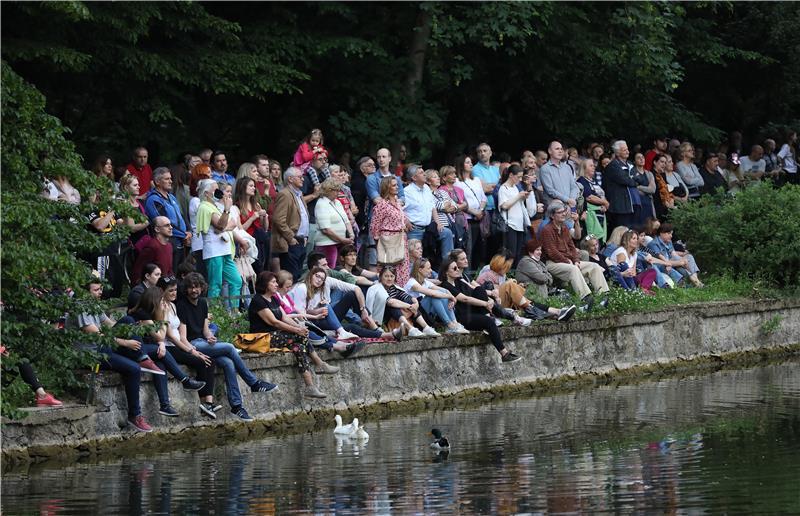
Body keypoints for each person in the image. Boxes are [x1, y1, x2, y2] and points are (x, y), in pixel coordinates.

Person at [176, 273, 278, 422]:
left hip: (203, 342)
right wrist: (192, 350)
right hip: (193, 344)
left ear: (202, 288)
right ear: (186, 289)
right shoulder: (182, 305)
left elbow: (205, 330)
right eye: (191, 287)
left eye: (197, 287)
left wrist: (210, 336)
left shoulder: (203, 303)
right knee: (230, 347)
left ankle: (237, 406)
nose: (194, 290)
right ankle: (254, 383)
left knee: (229, 363)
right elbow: (183, 337)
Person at [74, 279, 163, 432]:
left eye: (101, 289)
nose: (100, 292)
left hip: (104, 348)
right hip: (91, 354)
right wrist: (125, 342)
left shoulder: (94, 306)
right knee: (134, 369)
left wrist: (133, 327)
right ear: (85, 292)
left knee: (128, 320)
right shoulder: (81, 307)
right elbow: (98, 336)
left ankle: (143, 358)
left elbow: (111, 324)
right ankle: (135, 416)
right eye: (96, 290)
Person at [249, 271, 338, 399]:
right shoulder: (258, 300)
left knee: (299, 347)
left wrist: (300, 327)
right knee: (299, 336)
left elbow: (284, 317)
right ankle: (320, 364)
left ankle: (310, 387)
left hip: (276, 335)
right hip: (263, 338)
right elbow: (274, 322)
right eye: (273, 282)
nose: (276, 284)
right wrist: (296, 331)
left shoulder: (274, 298)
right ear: (265, 284)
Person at [123, 287, 207, 417]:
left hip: (144, 349)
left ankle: (165, 405)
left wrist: (161, 343)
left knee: (160, 366)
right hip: (133, 350)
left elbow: (159, 338)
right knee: (161, 352)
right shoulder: (142, 314)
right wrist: (163, 317)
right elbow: (160, 336)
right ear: (154, 301)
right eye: (161, 300)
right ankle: (185, 381)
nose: (164, 304)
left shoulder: (148, 313)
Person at [157, 276, 220, 419]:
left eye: (175, 290)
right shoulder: (161, 306)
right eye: (170, 291)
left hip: (179, 344)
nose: (174, 293)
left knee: (209, 360)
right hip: (170, 346)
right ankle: (204, 402)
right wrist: (192, 351)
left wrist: (192, 348)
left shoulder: (173, 305)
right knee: (202, 360)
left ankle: (207, 403)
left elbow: (180, 333)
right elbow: (171, 337)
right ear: (162, 291)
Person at [438, 257, 521, 363]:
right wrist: (485, 303)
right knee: (489, 322)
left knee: (479, 289)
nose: (458, 270)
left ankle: (492, 316)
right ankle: (504, 354)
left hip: (472, 311)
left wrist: (490, 299)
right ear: (446, 273)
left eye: (457, 267)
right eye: (454, 268)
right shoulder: (446, 286)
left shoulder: (459, 281)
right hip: (462, 317)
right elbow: (465, 298)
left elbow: (474, 290)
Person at [540, 201, 609, 311]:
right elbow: (551, 252)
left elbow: (572, 247)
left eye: (564, 211)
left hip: (568, 261)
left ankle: (603, 297)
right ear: (552, 216)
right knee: (573, 269)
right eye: (560, 212)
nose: (563, 214)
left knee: (594, 266)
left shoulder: (564, 228)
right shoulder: (547, 230)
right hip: (552, 263)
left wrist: (576, 260)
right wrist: (568, 261)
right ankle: (586, 299)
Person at [477, 252, 575, 322]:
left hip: (504, 302)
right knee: (511, 286)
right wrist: (507, 284)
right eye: (507, 266)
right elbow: (479, 291)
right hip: (494, 305)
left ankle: (557, 312)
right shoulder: (487, 274)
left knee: (524, 298)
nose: (509, 268)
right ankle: (541, 310)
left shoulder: (501, 275)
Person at [195, 179, 243, 308]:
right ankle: (213, 316)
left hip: (225, 251)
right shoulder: (204, 206)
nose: (219, 193)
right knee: (215, 284)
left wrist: (223, 226)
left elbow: (231, 223)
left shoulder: (215, 206)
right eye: (215, 190)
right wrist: (226, 211)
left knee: (236, 281)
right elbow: (221, 224)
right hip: (214, 252)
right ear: (206, 193)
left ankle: (234, 313)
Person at [365, 266, 439, 337]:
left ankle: (426, 327)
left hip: (397, 315)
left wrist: (415, 303)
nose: (389, 279)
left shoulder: (394, 288)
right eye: (386, 276)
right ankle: (410, 328)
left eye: (392, 276)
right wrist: (410, 306)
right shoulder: (375, 288)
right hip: (380, 319)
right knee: (393, 306)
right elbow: (391, 302)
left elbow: (408, 297)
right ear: (381, 277)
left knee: (410, 301)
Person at [144, 167, 191, 272]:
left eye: (170, 178)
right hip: (168, 241)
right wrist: (184, 235)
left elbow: (181, 216)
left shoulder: (171, 197)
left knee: (180, 274)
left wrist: (189, 232)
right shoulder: (153, 199)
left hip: (181, 240)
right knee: (170, 274)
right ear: (157, 182)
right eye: (167, 179)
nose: (171, 181)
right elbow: (163, 223)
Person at [405, 258, 469, 334]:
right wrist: (450, 297)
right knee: (433, 296)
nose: (431, 270)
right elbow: (432, 294)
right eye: (428, 268)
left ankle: (455, 323)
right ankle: (449, 325)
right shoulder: (412, 283)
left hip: (425, 313)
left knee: (441, 293)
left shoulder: (425, 282)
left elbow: (445, 290)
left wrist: (451, 298)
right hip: (415, 316)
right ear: (420, 270)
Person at [404, 165, 454, 260]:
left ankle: (447, 265)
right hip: (414, 230)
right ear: (414, 178)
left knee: (446, 233)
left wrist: (438, 223)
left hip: (429, 228)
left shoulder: (427, 188)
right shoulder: (407, 191)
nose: (424, 175)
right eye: (421, 173)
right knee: (415, 258)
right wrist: (406, 220)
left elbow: (433, 207)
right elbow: (399, 208)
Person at [370, 176, 411, 287]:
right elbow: (374, 226)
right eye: (393, 185)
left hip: (401, 238)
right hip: (389, 241)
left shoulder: (398, 202)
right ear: (387, 187)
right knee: (390, 268)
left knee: (403, 268)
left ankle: (402, 293)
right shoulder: (382, 205)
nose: (397, 187)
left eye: (397, 184)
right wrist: (379, 243)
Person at [272, 167, 310, 281]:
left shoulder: (299, 194)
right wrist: (291, 238)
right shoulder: (285, 194)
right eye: (299, 177)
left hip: (301, 241)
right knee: (291, 277)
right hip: (292, 242)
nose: (302, 179)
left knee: (297, 275)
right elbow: (278, 219)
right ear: (290, 179)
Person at [604, 140, 648, 232]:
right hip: (621, 207)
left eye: (627, 149)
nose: (627, 152)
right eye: (624, 150)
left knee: (634, 232)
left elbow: (641, 179)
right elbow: (626, 180)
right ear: (617, 152)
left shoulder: (630, 164)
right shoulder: (613, 166)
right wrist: (633, 179)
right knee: (622, 232)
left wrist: (632, 179)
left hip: (634, 204)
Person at [454, 154, 488, 268]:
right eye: (467, 162)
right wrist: (474, 212)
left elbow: (483, 197)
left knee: (479, 247)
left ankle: (475, 272)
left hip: (479, 217)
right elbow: (460, 202)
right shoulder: (457, 182)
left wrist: (481, 210)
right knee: (468, 247)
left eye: (471, 162)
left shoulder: (476, 180)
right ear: (461, 165)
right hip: (467, 218)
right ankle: (466, 273)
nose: (471, 164)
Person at [646, 223, 704, 287]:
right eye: (669, 233)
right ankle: (696, 282)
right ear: (661, 233)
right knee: (680, 262)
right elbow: (662, 259)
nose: (671, 236)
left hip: (672, 262)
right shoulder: (654, 244)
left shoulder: (669, 241)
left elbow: (674, 254)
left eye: (671, 234)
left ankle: (695, 280)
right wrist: (680, 262)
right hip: (661, 263)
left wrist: (683, 260)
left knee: (689, 257)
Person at [314, 178, 354, 268]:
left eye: (338, 190)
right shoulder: (322, 203)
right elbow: (326, 229)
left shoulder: (338, 203)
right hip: (327, 243)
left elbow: (346, 221)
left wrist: (351, 235)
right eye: (336, 190)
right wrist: (342, 239)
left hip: (341, 242)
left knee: (341, 268)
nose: (338, 192)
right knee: (330, 268)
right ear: (328, 190)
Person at [234, 175, 270, 275]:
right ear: (243, 187)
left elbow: (265, 228)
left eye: (254, 186)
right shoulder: (237, 206)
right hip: (248, 242)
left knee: (263, 267)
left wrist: (264, 217)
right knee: (254, 269)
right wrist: (253, 218)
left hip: (260, 240)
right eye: (251, 186)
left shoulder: (256, 204)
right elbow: (240, 229)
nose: (254, 188)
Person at [496, 164, 530, 265]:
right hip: (510, 224)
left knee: (518, 253)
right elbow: (504, 205)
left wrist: (523, 197)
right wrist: (519, 196)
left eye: (521, 177)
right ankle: (508, 275)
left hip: (519, 224)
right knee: (510, 253)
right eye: (518, 176)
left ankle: (515, 276)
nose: (520, 179)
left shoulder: (515, 187)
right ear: (511, 175)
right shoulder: (503, 188)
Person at [132, 216, 174, 284]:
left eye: (170, 225)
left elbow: (169, 270)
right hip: (153, 289)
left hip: (165, 287)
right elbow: (138, 271)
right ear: (157, 229)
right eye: (167, 225)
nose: (171, 227)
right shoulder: (152, 246)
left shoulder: (169, 246)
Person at [575, 159, 609, 243]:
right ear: (584, 168)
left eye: (594, 165)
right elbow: (589, 197)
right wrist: (605, 202)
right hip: (589, 215)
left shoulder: (594, 182)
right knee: (591, 240)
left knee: (599, 241)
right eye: (591, 165)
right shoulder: (581, 180)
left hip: (600, 214)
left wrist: (604, 205)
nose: (594, 167)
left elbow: (601, 195)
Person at [539, 140, 579, 207]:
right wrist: (568, 200)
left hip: (570, 206)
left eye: (561, 149)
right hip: (555, 209)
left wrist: (571, 199)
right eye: (557, 149)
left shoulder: (567, 167)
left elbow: (574, 187)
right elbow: (550, 191)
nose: (560, 151)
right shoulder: (545, 169)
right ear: (550, 151)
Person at [118, 173, 150, 245]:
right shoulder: (123, 204)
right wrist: (146, 223)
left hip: (145, 242)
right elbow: (131, 228)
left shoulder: (140, 202)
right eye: (135, 185)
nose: (138, 187)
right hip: (133, 244)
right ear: (126, 187)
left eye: (138, 185)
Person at [633, 152, 657, 222]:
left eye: (642, 157)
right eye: (638, 158)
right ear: (634, 161)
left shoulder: (649, 173)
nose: (641, 159)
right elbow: (633, 190)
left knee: (649, 226)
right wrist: (646, 190)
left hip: (648, 202)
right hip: (638, 203)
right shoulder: (632, 173)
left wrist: (639, 187)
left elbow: (652, 190)